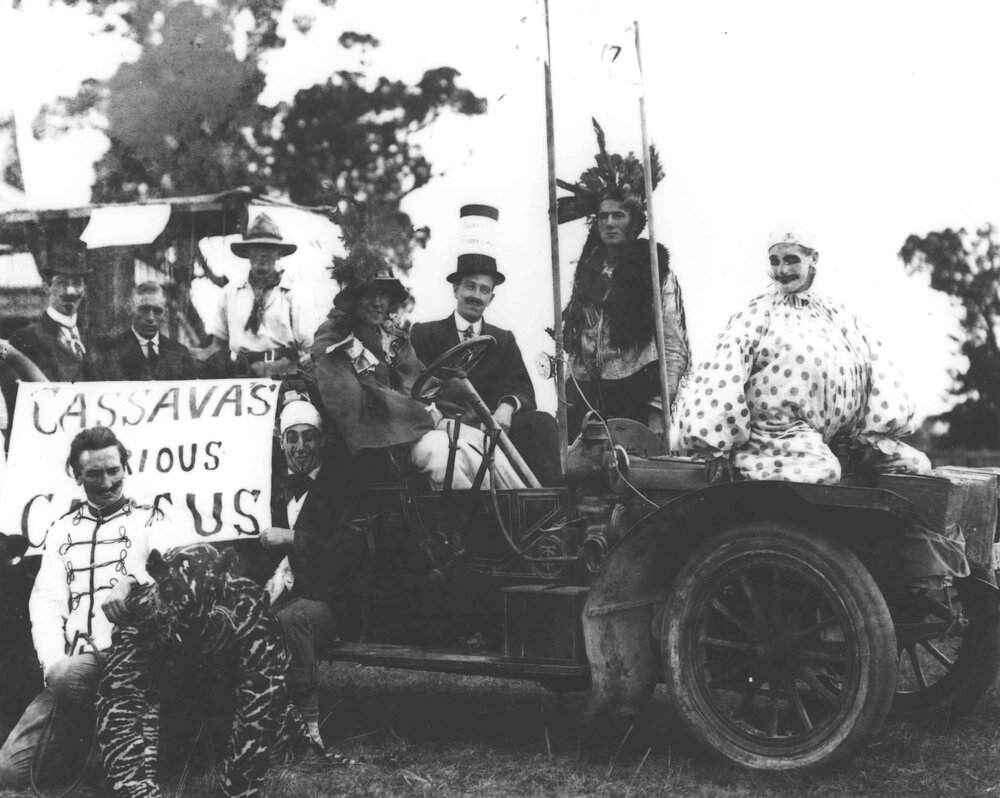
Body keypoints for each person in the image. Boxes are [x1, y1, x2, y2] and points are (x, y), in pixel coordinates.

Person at [675, 227, 933, 483]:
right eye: (775, 261)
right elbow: (722, 375)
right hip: (776, 436)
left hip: (843, 441)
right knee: (821, 472)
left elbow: (880, 370)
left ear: (813, 259)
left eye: (791, 260)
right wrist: (715, 447)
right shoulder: (756, 315)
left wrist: (876, 435)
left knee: (915, 466)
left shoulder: (839, 315)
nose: (782, 271)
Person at [0, 427, 167, 788]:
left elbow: (171, 575)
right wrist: (54, 665)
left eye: (114, 470)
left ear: (127, 467)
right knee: (10, 771)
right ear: (77, 476)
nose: (106, 483)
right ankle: (95, 742)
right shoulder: (61, 530)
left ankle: (115, 745)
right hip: (75, 667)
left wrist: (131, 580)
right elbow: (44, 604)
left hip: (134, 659)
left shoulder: (151, 519)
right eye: (94, 474)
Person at [312, 228, 525, 490]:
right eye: (370, 292)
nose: (379, 302)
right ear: (354, 297)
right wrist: (427, 417)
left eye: (384, 294)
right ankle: (475, 526)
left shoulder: (393, 338)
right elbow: (350, 404)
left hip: (410, 432)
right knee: (445, 456)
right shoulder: (332, 339)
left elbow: (419, 384)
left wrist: (453, 395)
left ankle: (526, 514)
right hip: (372, 445)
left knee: (482, 442)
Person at [557, 120, 689, 438]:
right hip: (586, 391)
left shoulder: (656, 272)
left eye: (619, 215)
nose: (610, 222)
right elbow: (575, 337)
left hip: (635, 390)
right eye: (603, 216)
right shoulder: (586, 273)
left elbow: (672, 347)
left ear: (634, 222)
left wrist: (659, 409)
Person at [410, 204, 560, 483]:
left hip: (494, 432)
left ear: (492, 297)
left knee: (542, 423)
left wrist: (507, 406)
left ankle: (546, 509)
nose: (476, 296)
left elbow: (525, 391)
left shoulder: (502, 340)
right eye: (470, 286)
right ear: (455, 289)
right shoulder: (425, 334)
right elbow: (413, 389)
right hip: (444, 431)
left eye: (484, 290)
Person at [260, 397, 362, 746]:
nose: (300, 448)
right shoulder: (266, 489)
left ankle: (308, 724)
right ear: (281, 442)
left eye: (308, 437)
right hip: (275, 596)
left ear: (321, 440)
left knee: (293, 620)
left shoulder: (343, 489)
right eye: (292, 438)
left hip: (327, 604)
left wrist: (292, 537)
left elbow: (344, 554)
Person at [207, 213, 320, 378]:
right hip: (242, 377)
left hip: (284, 376)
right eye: (256, 248)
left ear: (279, 253)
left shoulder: (291, 294)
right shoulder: (229, 294)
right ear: (247, 253)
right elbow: (218, 344)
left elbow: (308, 346)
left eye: (269, 248)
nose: (262, 254)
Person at [11, 238, 91, 382]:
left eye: (77, 283)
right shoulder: (26, 337)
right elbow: (6, 357)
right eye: (61, 283)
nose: (70, 291)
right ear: (46, 287)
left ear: (84, 289)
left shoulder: (96, 336)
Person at [89, 282, 198, 381]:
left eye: (157, 311)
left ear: (164, 314)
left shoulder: (180, 354)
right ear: (130, 310)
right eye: (144, 309)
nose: (150, 318)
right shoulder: (111, 351)